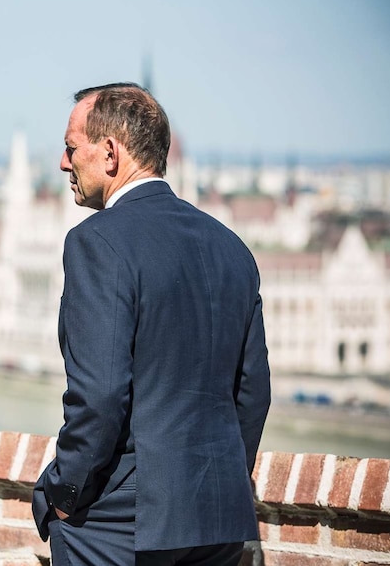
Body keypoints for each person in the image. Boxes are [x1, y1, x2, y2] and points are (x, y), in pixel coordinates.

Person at [32, 83, 271, 566]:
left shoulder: (97, 241)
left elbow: (99, 395)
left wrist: (64, 491)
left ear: (111, 153)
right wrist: (219, 482)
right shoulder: (232, 248)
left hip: (122, 522)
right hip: (216, 518)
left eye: (71, 148)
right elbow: (253, 393)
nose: (63, 163)